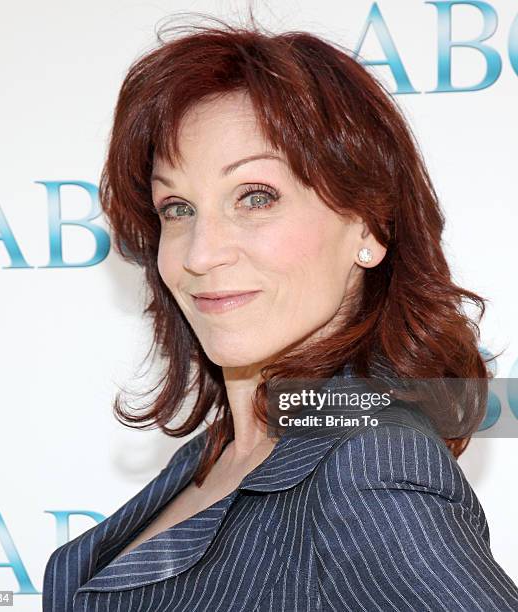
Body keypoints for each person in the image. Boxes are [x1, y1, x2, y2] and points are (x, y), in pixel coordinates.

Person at [42, 12, 518, 611]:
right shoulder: (217, 455)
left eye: (256, 197)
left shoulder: (369, 464)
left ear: (368, 225)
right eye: (178, 208)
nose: (202, 252)